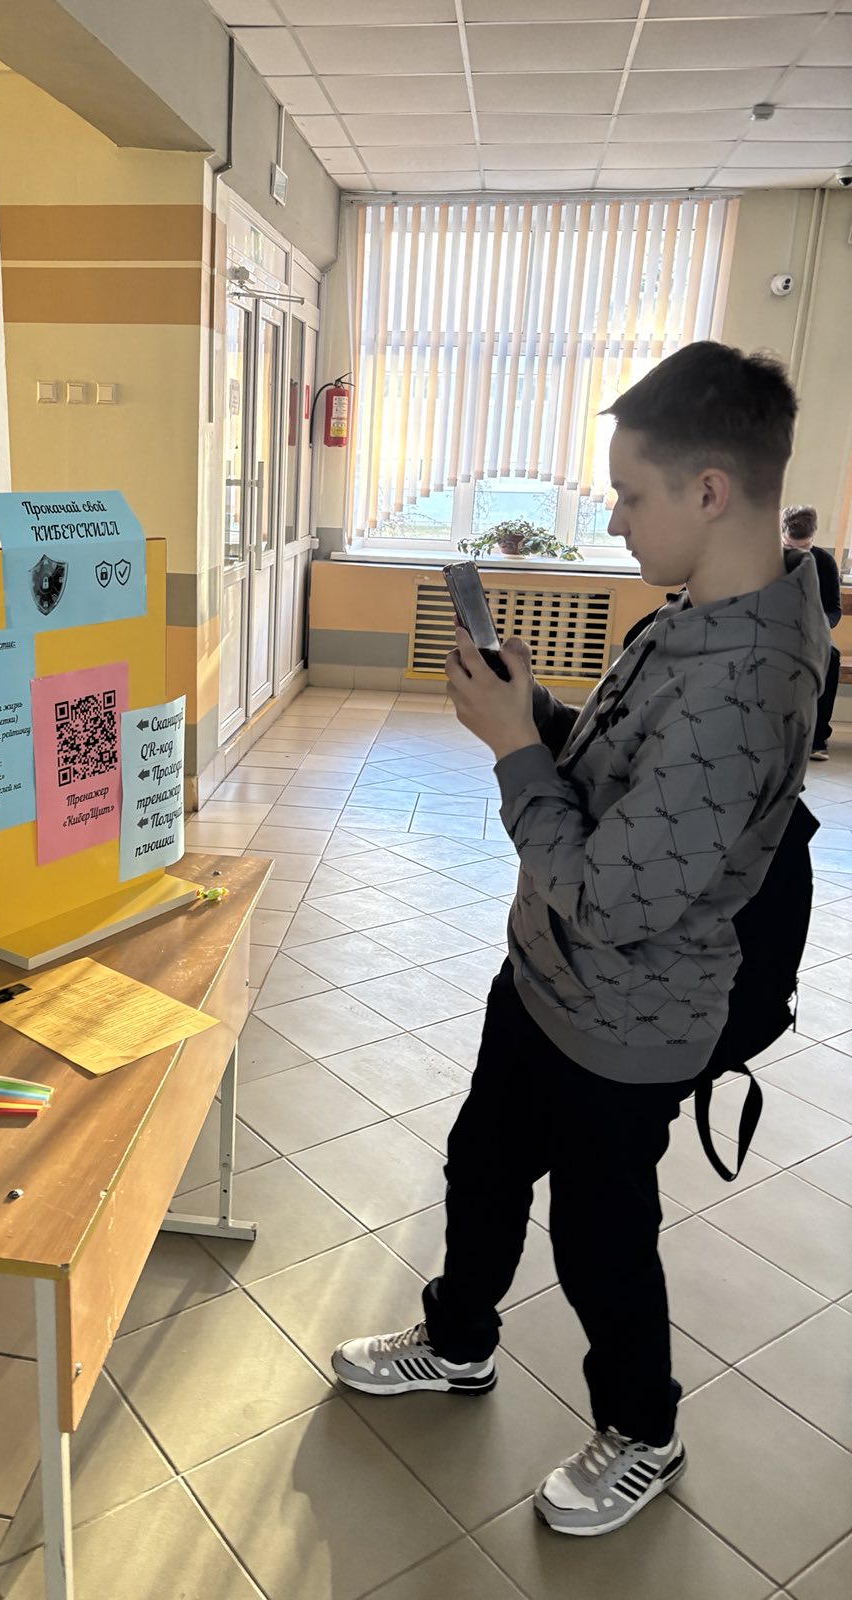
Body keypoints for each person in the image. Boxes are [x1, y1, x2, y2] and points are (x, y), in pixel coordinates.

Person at [330, 342, 829, 1537]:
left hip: (627, 1021)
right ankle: (457, 1340)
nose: (611, 518)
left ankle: (644, 1430)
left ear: (710, 489)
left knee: (603, 1239)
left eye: (629, 493)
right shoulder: (701, 613)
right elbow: (617, 773)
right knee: (483, 1164)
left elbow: (610, 895)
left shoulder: (747, 682)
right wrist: (538, 710)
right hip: (547, 981)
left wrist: (512, 748)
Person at [781, 504, 841, 758]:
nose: (798, 554)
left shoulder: (824, 562)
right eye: (790, 548)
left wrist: (818, 625)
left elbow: (833, 609)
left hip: (811, 634)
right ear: (781, 536)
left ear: (813, 538)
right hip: (770, 630)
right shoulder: (764, 558)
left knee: (831, 658)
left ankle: (817, 738)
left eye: (804, 548)